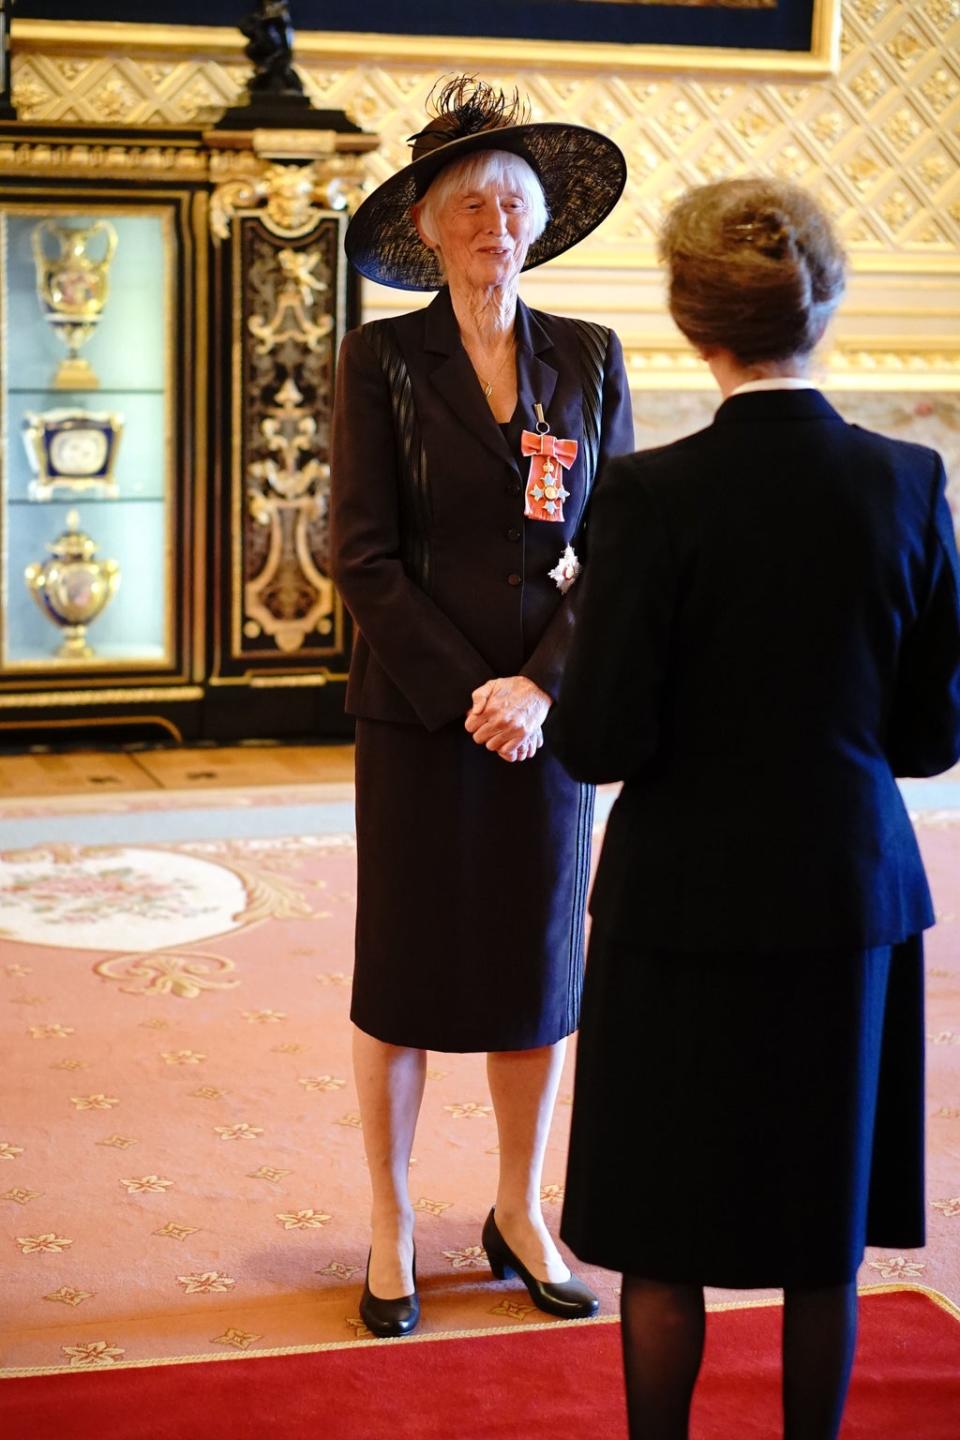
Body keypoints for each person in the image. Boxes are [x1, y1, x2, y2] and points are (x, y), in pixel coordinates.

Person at [548, 176, 960, 1439]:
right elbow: (933, 737)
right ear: (823, 307)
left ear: (691, 323)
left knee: (665, 1233)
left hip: (682, 905)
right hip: (847, 895)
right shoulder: (906, 479)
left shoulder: (650, 497)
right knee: (817, 1230)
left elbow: (599, 740)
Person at [330, 76, 635, 1338]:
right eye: (471, 208)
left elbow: (617, 541)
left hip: (549, 726)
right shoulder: (381, 358)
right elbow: (362, 556)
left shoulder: (589, 355)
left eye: (513, 205)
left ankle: (519, 1210)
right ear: (430, 226)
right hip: (420, 717)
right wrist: (474, 692)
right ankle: (392, 1224)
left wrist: (542, 689)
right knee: (401, 972)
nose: (495, 227)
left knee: (536, 972)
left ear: (537, 223)